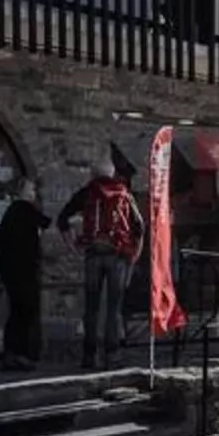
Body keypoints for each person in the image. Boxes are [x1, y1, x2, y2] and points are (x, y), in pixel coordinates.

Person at [57, 158, 145, 369]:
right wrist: (133, 258)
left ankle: (89, 355)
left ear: (93, 175)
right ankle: (112, 355)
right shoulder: (124, 193)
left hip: (93, 254)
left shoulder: (87, 192)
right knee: (114, 308)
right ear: (113, 173)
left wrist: (74, 248)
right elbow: (140, 227)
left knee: (92, 307)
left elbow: (62, 220)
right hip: (117, 256)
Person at [0, 178, 51, 370]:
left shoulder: (10, 213)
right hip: (24, 269)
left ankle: (11, 353)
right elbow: (46, 222)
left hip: (11, 269)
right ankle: (21, 353)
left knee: (17, 312)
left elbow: (1, 238)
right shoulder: (24, 209)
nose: (34, 192)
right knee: (25, 312)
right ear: (24, 191)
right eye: (32, 189)